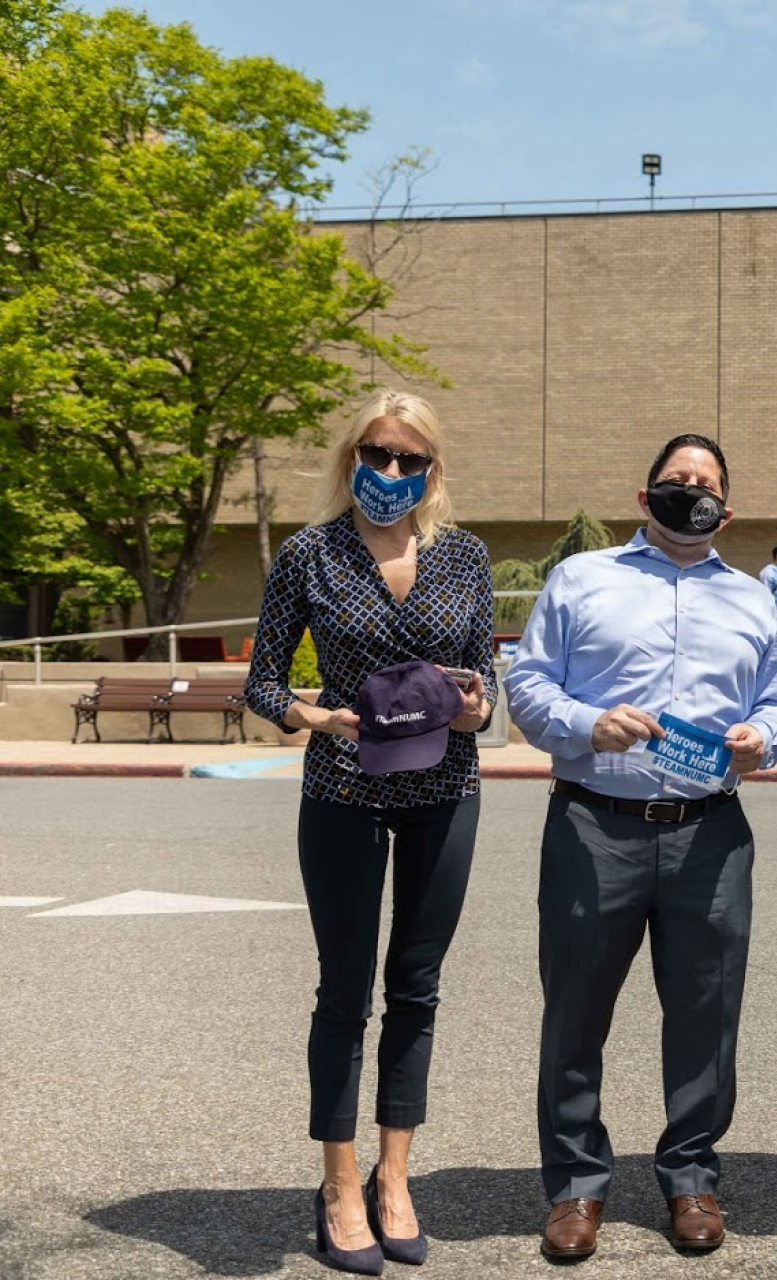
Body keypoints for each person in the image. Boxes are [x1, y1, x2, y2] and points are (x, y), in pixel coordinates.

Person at [505, 433, 777, 1263]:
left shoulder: (752, 599)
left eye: (705, 484)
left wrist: (762, 736)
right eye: (675, 481)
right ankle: (574, 1187)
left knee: (706, 1017)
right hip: (595, 823)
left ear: (727, 509)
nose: (690, 492)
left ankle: (691, 1175)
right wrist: (584, 723)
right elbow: (528, 683)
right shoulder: (582, 579)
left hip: (709, 830)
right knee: (575, 1014)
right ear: (645, 498)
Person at [244, 389, 496, 1276]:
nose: (391, 472)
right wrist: (317, 718)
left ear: (433, 469)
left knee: (417, 988)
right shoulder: (309, 554)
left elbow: (486, 685)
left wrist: (473, 711)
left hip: (446, 789)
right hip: (343, 790)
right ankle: (340, 1183)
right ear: (350, 455)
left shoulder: (465, 556)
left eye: (410, 459)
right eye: (377, 453)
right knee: (344, 991)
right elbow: (263, 684)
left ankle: (396, 1177)